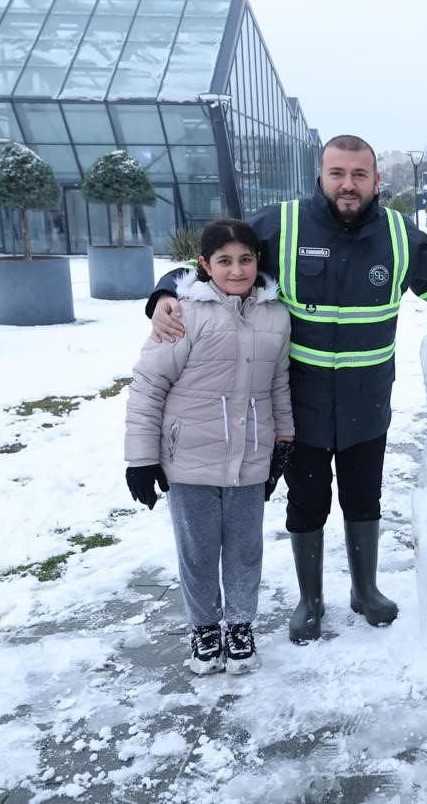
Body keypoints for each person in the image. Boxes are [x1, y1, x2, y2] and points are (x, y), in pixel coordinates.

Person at [148, 136, 427, 644]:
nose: (348, 184)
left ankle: (366, 591)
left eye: (360, 174)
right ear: (320, 176)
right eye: (337, 172)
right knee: (308, 501)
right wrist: (168, 289)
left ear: (376, 181)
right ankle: (310, 600)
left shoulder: (400, 234)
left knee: (365, 499)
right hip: (302, 406)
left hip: (369, 402)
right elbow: (219, 256)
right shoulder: (283, 224)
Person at [124, 221, 293, 675]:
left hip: (251, 457)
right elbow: (148, 385)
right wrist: (141, 459)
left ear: (258, 261)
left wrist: (284, 439)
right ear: (204, 265)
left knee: (245, 549)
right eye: (224, 261)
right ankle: (204, 627)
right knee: (198, 551)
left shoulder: (275, 315)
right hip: (190, 458)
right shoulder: (183, 313)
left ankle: (240, 624)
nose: (236, 270)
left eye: (245, 259)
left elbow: (279, 384)